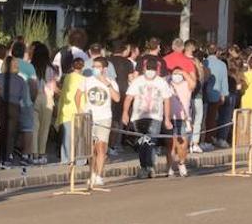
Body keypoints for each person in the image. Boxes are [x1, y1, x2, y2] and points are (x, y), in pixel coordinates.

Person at [121, 59, 172, 179]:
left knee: (151, 141)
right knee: (142, 143)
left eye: (153, 69)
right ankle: (144, 166)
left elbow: (167, 100)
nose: (150, 71)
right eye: (149, 68)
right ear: (144, 68)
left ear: (157, 70)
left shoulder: (161, 82)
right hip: (138, 116)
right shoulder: (137, 81)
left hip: (155, 116)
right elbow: (129, 98)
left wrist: (167, 119)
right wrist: (125, 113)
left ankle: (149, 167)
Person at [83, 57, 119, 187]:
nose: (95, 69)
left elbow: (117, 98)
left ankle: (99, 175)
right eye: (93, 66)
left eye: (97, 66)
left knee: (101, 147)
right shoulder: (87, 81)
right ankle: (91, 173)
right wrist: (81, 110)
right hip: (89, 117)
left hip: (104, 117)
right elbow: (78, 95)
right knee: (91, 149)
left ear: (104, 69)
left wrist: (106, 83)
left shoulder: (111, 82)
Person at [56, 57, 86, 164]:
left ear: (72, 66)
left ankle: (66, 159)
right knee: (80, 137)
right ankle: (80, 160)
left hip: (67, 110)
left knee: (67, 137)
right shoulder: (84, 79)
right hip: (79, 110)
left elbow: (63, 94)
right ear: (83, 67)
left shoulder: (67, 78)